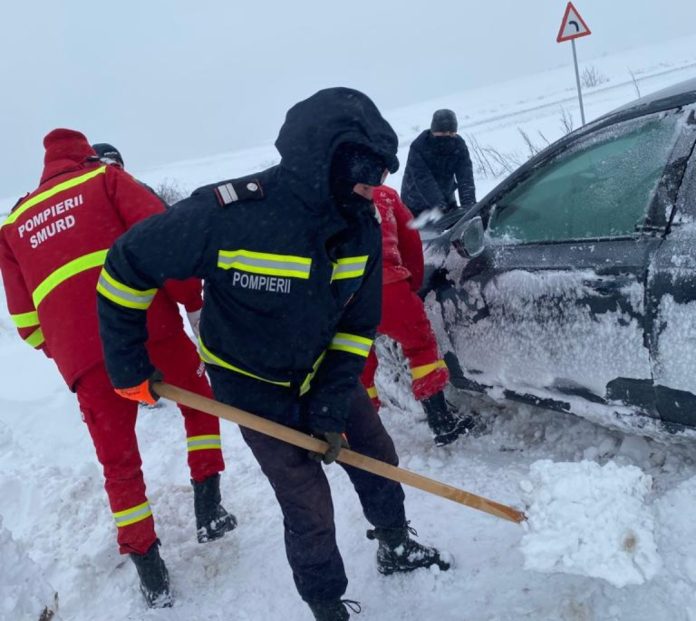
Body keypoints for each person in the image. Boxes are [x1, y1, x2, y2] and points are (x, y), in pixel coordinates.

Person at [96, 87, 450, 621]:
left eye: (380, 173)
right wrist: (127, 363)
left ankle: (395, 545)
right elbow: (127, 265)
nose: (374, 185)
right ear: (324, 158)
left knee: (377, 455)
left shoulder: (360, 227)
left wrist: (330, 402)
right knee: (306, 500)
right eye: (365, 170)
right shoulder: (229, 214)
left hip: (321, 366)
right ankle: (326, 603)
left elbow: (357, 327)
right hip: (250, 383)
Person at [0, 129, 237, 609]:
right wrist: (190, 301)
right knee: (200, 404)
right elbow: (166, 244)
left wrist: (73, 350)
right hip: (149, 330)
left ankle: (150, 570)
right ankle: (209, 509)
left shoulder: (14, 224)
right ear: (85, 155)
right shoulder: (105, 180)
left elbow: (26, 323)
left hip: (87, 362)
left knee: (118, 462)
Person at [361, 184, 474, 446]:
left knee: (356, 363)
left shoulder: (328, 196)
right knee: (421, 346)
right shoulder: (386, 196)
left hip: (347, 296)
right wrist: (410, 286)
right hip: (390, 289)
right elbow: (411, 243)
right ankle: (441, 422)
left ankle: (358, 430)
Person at [400, 109, 476, 217]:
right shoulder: (419, 146)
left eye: (451, 132)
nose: (447, 136)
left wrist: (469, 205)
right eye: (443, 132)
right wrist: (440, 206)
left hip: (447, 198)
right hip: (415, 203)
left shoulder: (458, 144)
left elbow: (465, 176)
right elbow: (423, 179)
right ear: (434, 130)